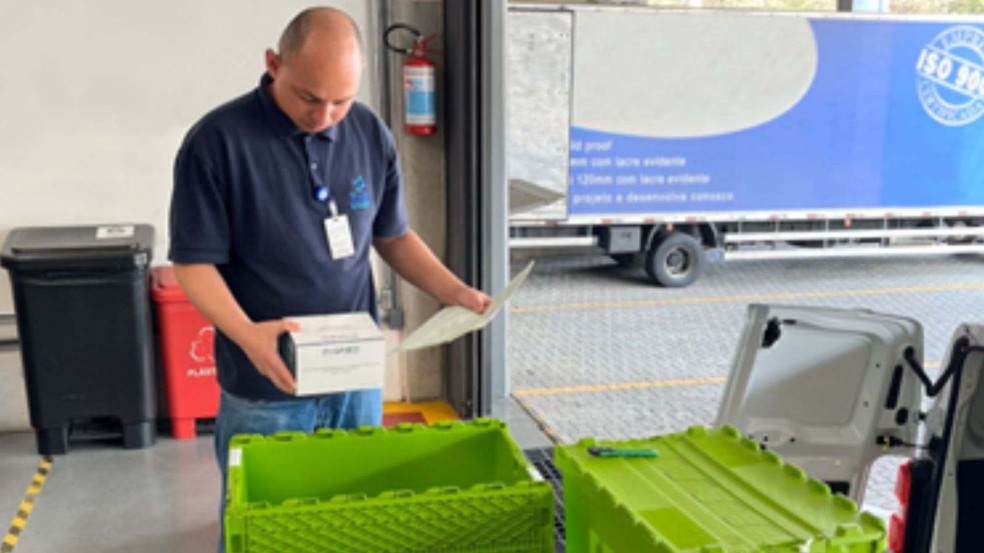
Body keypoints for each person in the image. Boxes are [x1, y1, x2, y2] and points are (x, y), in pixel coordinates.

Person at [167, 6, 491, 550]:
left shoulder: (368, 131)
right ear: (274, 64)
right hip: (268, 385)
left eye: (341, 100)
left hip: (354, 376)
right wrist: (247, 335)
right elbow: (193, 263)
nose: (324, 116)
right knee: (262, 530)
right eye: (309, 98)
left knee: (350, 519)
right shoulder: (217, 142)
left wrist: (454, 291)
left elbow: (392, 236)